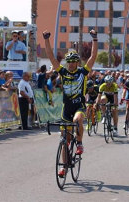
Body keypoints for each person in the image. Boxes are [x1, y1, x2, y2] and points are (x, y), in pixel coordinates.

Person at [43, 28, 98, 177]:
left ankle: (79, 143)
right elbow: (51, 58)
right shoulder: (63, 72)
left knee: (78, 119)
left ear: (77, 62)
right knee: (64, 141)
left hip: (79, 106)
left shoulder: (83, 72)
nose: (71, 64)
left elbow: (93, 57)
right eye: (69, 62)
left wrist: (94, 39)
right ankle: (64, 167)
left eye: (74, 62)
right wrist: (46, 40)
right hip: (66, 108)